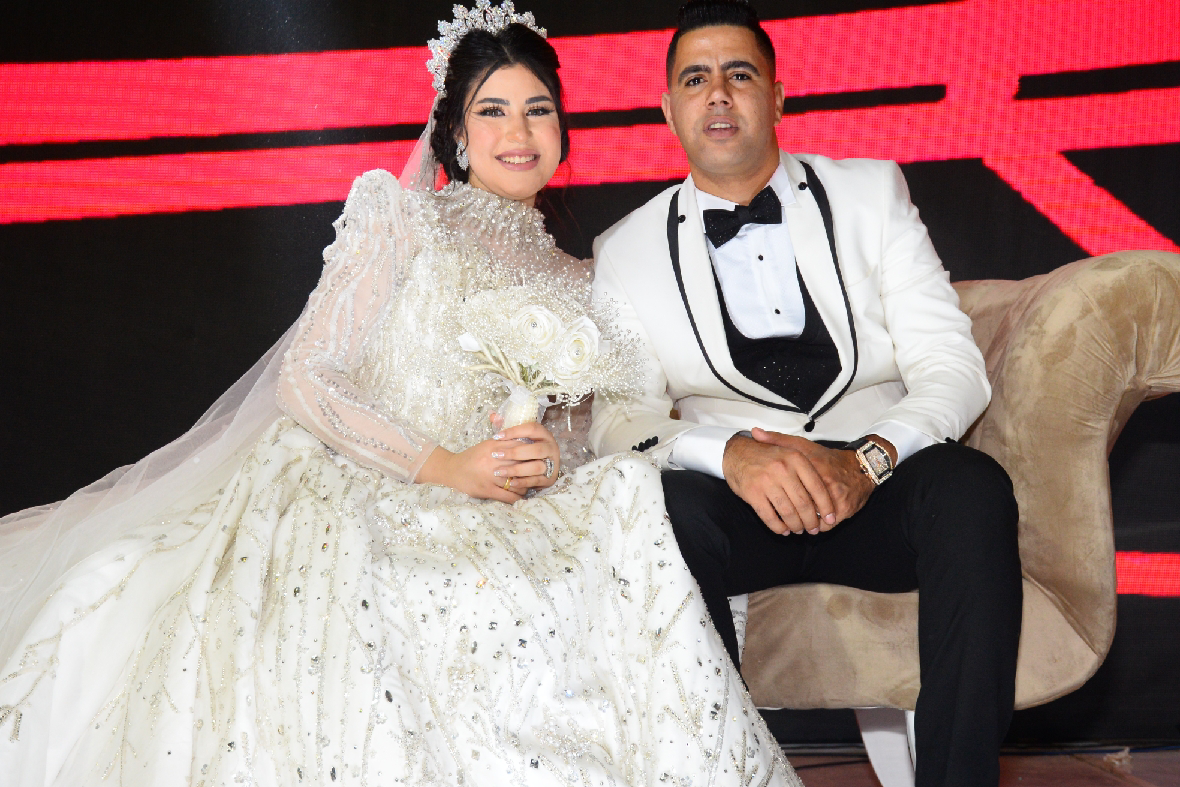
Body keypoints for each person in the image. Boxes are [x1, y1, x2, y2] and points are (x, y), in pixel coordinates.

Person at [0, 5, 802, 786]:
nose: (519, 132)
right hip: (370, 481)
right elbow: (307, 376)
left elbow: (591, 425)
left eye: (538, 109)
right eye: (492, 111)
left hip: (506, 507)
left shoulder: (583, 276)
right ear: (456, 134)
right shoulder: (403, 220)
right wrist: (446, 465)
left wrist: (546, 454)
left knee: (619, 509)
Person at [590, 1, 1022, 785]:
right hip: (743, 503)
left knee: (973, 488)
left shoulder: (871, 194)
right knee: (662, 510)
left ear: (778, 97)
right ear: (669, 110)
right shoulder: (625, 250)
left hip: (879, 485)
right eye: (695, 79)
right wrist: (731, 456)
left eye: (739, 74)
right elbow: (618, 417)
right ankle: (720, 773)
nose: (718, 94)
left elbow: (953, 366)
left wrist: (870, 458)